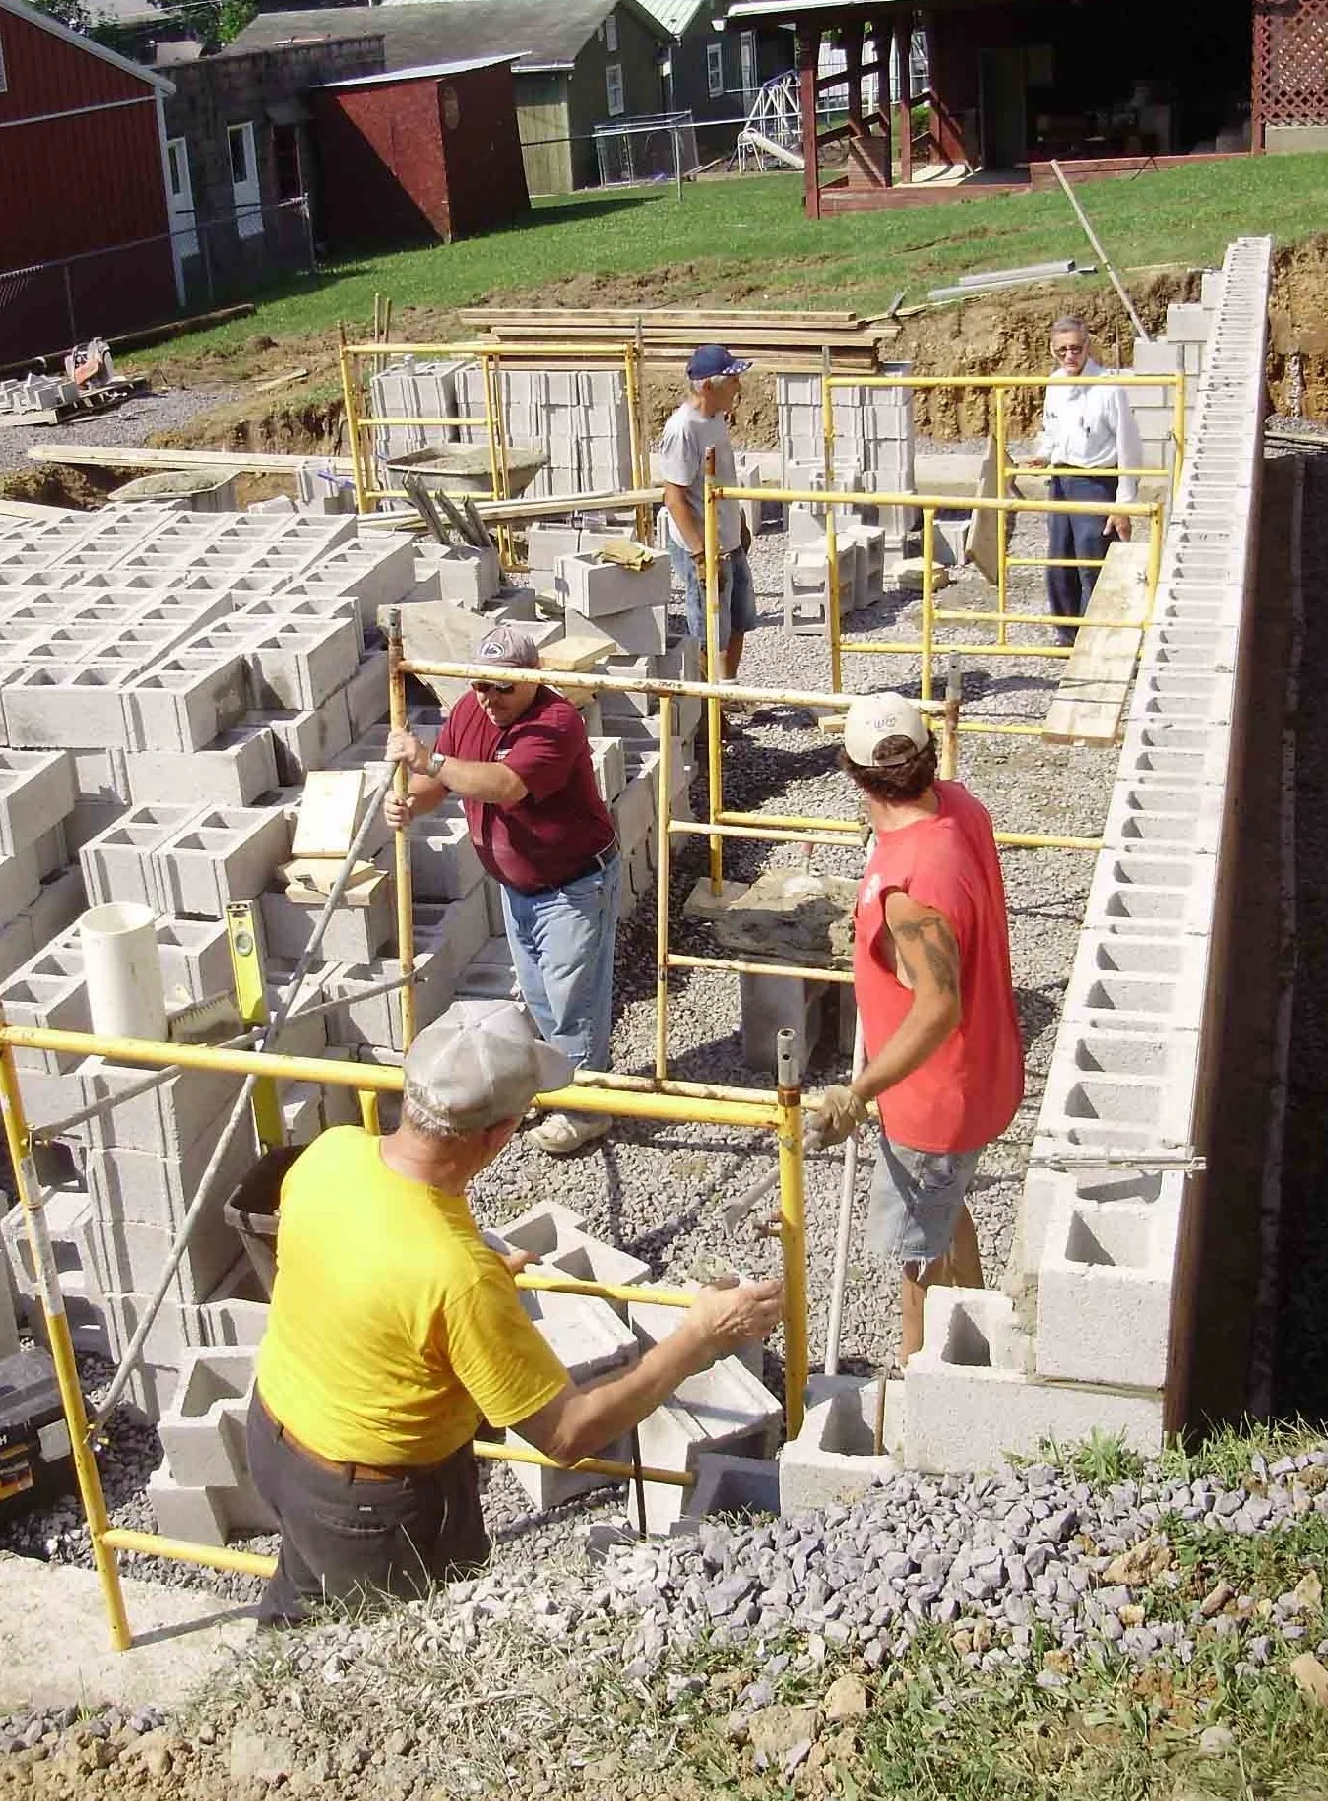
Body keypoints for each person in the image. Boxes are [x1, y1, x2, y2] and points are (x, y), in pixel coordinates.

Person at [247, 1000, 783, 1624]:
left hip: (276, 1437)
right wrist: (699, 1336)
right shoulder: (456, 1276)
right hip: (372, 1508)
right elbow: (565, 1435)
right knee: (424, 1660)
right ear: (499, 1135)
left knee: (299, 1605)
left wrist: (444, 1312)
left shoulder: (332, 1153)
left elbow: (339, 1264)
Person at [805, 692, 1024, 1366]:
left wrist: (858, 1090)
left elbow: (938, 1006)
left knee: (914, 1259)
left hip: (933, 1107)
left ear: (851, 771)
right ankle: (985, 1341)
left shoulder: (910, 884)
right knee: (949, 1210)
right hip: (983, 1074)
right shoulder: (960, 808)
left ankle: (922, 1386)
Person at [384, 625, 619, 1157]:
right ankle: (555, 1084)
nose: (489, 699)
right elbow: (438, 784)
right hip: (518, 886)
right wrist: (408, 802)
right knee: (538, 997)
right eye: (481, 686)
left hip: (573, 885)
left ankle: (585, 1109)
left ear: (531, 679)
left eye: (503, 688)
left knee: (572, 1003)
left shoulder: (555, 723)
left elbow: (504, 785)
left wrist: (427, 761)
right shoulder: (471, 710)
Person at [1026, 314, 1143, 643]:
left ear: (1088, 346)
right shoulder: (1055, 384)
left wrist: (1124, 504)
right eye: (1061, 350)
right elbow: (1051, 429)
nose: (1069, 356)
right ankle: (1067, 635)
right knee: (1059, 561)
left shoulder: (1107, 388)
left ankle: (1096, 635)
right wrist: (1044, 452)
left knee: (1091, 559)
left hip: (1095, 481)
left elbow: (1129, 446)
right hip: (1061, 479)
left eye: (1075, 349)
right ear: (1052, 351)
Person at [658, 343, 758, 688]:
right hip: (700, 546)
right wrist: (700, 553)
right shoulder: (682, 430)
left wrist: (740, 521)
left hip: (728, 538)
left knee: (739, 619)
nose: (738, 387)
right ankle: (707, 709)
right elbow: (674, 499)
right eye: (731, 380)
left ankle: (728, 691)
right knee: (707, 630)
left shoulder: (716, 418)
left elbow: (723, 477)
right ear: (707, 386)